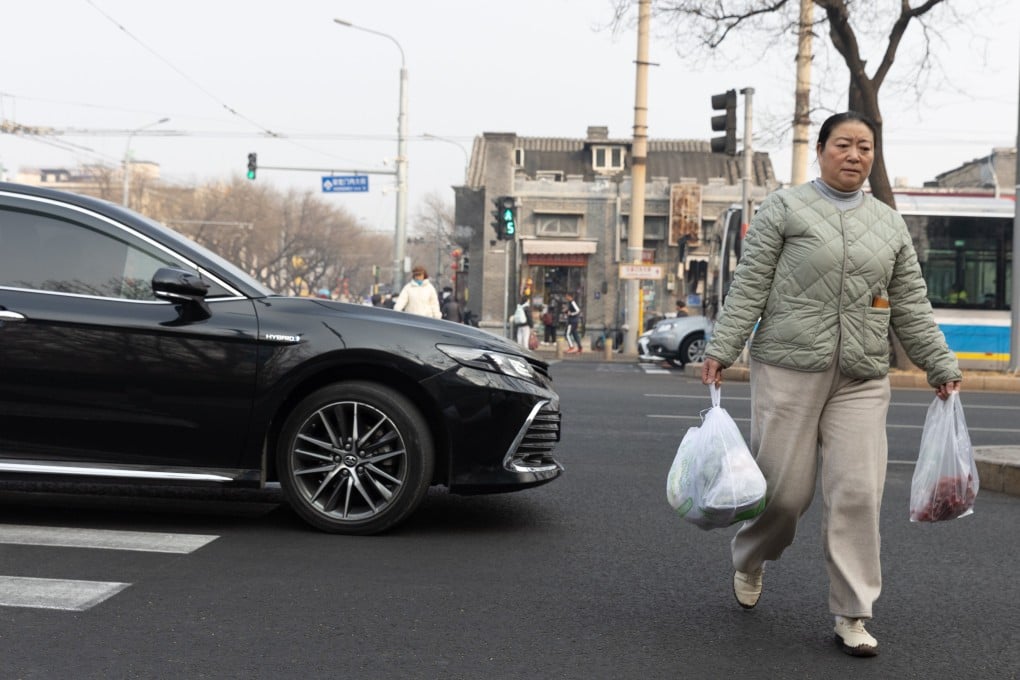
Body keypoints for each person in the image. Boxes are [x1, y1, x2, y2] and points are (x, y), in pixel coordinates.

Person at [700, 111, 962, 659]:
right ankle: (750, 556)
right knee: (784, 494)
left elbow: (911, 303)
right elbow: (750, 284)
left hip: (862, 375)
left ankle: (853, 612)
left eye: (865, 147)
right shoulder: (784, 208)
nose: (855, 155)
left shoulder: (888, 224)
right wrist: (722, 348)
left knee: (858, 493)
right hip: (789, 367)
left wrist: (939, 363)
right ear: (821, 150)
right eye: (843, 144)